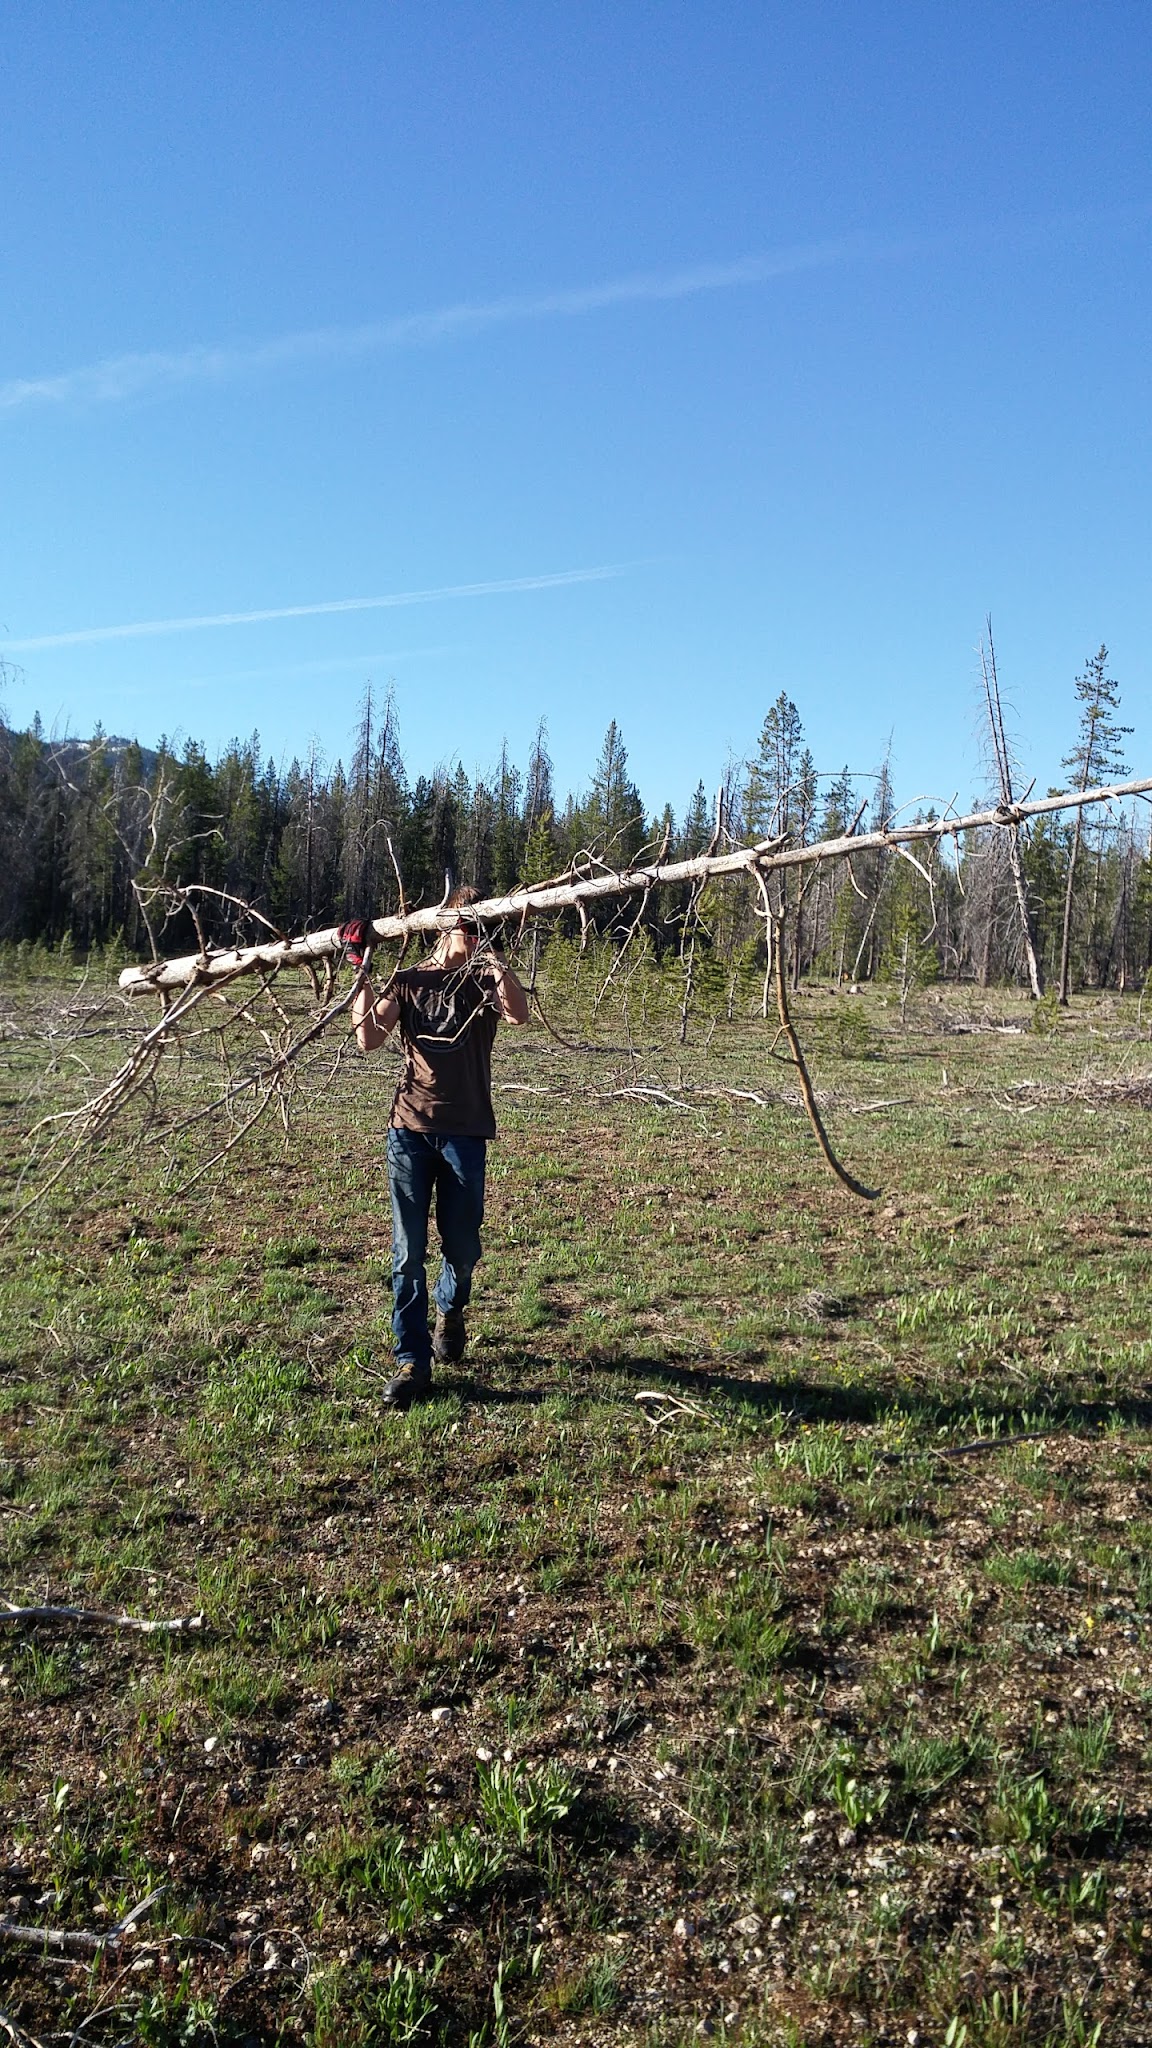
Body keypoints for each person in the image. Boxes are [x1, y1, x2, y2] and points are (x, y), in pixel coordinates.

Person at [340, 887, 530, 1410]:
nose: (471, 938)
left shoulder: (484, 980)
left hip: (467, 1133)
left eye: (479, 929)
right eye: (466, 928)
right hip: (410, 1130)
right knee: (407, 1255)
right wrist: (361, 966)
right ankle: (411, 1360)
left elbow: (518, 1015)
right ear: (441, 928)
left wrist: (494, 959)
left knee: (463, 1247)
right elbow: (368, 1038)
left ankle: (451, 1306)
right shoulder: (409, 980)